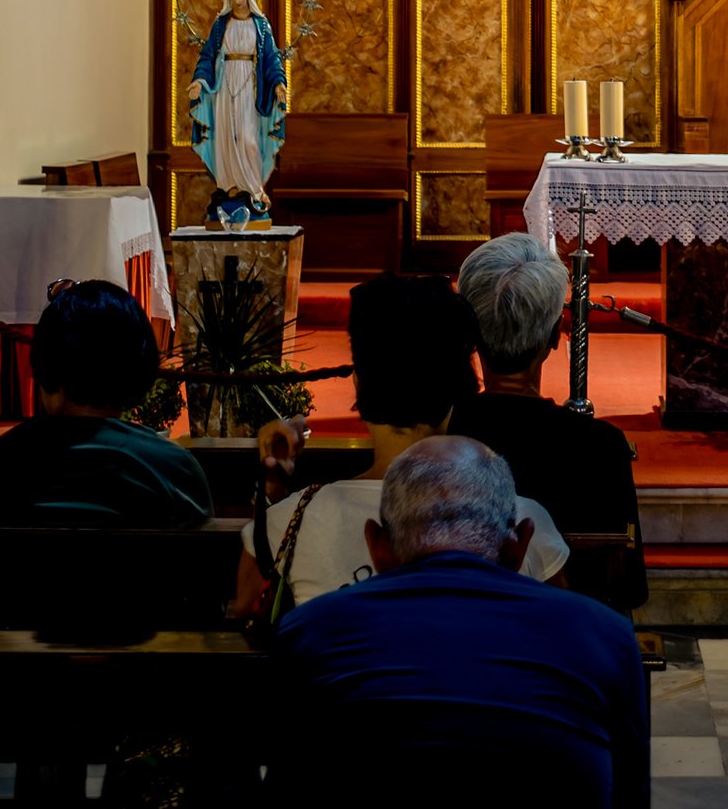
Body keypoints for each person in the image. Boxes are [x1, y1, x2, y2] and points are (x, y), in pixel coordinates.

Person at [274, 433, 648, 806]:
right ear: (520, 543)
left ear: (377, 546)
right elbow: (629, 794)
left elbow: (289, 784)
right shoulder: (603, 635)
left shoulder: (312, 631)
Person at [243, 269, 568, 611]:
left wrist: (275, 493)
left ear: (357, 383)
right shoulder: (522, 520)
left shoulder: (290, 521)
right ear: (461, 387)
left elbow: (246, 613)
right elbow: (565, 626)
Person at [0, 277, 212, 635]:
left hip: (30, 650)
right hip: (144, 652)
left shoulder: (10, 454)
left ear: (49, 374)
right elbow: (201, 581)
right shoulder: (172, 464)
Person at [449, 234, 647, 612]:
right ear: (556, 335)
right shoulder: (599, 446)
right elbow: (628, 590)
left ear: (470, 336)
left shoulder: (442, 435)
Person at [189, 0, 288, 224]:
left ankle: (253, 188)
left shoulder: (261, 25)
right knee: (224, 137)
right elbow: (208, 56)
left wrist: (278, 83)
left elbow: (271, 58)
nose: (236, 1)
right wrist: (200, 81)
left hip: (249, 86)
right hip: (224, 85)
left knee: (248, 139)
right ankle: (229, 185)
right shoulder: (221, 25)